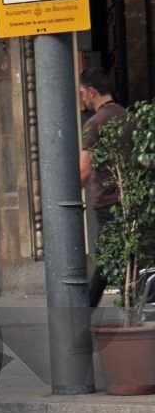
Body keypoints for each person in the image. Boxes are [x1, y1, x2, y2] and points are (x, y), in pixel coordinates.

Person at [79, 67, 128, 307]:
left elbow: (84, 171)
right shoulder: (128, 117)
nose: (82, 99)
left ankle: (86, 309)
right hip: (129, 200)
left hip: (107, 202)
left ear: (91, 91)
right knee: (128, 257)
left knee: (106, 260)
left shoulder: (95, 123)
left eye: (82, 93)